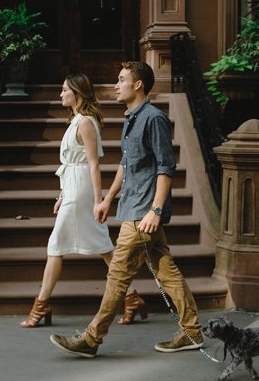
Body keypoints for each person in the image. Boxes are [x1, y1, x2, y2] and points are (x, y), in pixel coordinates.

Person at [49, 61, 202, 356]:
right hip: (133, 207)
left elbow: (166, 167)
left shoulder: (153, 118)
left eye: (121, 80)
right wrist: (107, 198)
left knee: (117, 275)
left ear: (138, 84)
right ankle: (192, 331)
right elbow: (126, 164)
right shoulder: (131, 118)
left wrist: (155, 211)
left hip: (144, 213)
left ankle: (92, 338)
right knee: (166, 272)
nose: (115, 86)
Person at [20, 73, 146, 327]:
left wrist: (99, 200)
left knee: (56, 246)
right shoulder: (76, 120)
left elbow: (92, 163)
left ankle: (41, 305)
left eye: (65, 90)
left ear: (77, 92)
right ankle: (131, 297)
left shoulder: (85, 122)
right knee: (102, 247)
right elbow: (71, 164)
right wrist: (62, 194)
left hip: (82, 192)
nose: (61, 94)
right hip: (73, 189)